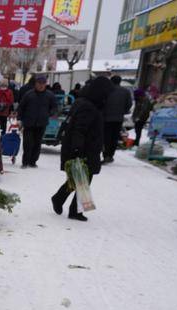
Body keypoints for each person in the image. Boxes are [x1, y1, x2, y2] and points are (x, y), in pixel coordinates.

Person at [51, 76, 112, 222]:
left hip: (85, 147)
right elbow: (79, 129)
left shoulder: (85, 102)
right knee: (83, 179)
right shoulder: (89, 106)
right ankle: (73, 210)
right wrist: (78, 150)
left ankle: (60, 200)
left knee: (79, 178)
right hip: (84, 149)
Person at [17, 75, 57, 168]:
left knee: (37, 143)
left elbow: (55, 107)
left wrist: (49, 113)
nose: (41, 85)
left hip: (41, 123)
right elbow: (21, 107)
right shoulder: (29, 94)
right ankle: (25, 162)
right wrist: (19, 119)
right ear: (35, 84)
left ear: (45, 84)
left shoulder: (49, 95)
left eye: (43, 84)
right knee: (27, 143)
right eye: (39, 83)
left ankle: (33, 161)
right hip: (28, 122)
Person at [102, 75, 132, 163]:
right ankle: (111, 155)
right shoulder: (126, 91)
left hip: (106, 118)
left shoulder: (106, 91)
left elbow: (102, 102)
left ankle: (106, 154)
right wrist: (124, 111)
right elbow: (129, 104)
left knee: (106, 137)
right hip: (118, 118)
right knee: (114, 137)